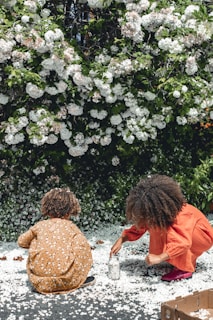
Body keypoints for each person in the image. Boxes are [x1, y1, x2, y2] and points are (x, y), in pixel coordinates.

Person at [110, 174, 213, 281]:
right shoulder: (158, 215)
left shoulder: (180, 217)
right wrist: (123, 238)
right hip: (185, 237)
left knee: (171, 234)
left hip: (201, 237)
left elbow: (183, 243)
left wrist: (160, 257)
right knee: (155, 226)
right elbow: (142, 225)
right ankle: (176, 260)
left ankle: (185, 268)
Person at [18, 187, 95, 294]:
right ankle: (78, 277)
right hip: (67, 281)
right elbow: (83, 247)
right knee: (81, 243)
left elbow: (21, 242)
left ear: (47, 208)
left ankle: (43, 273)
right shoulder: (71, 228)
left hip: (39, 282)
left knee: (35, 238)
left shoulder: (39, 226)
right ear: (70, 210)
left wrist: (42, 243)